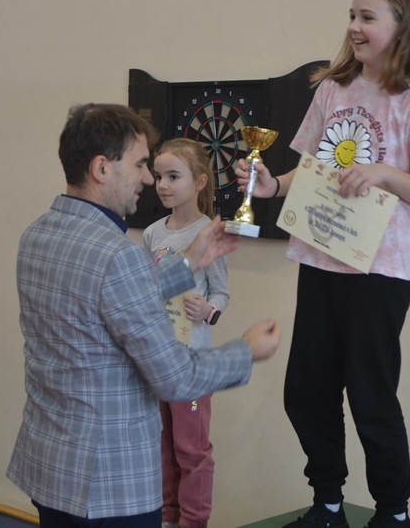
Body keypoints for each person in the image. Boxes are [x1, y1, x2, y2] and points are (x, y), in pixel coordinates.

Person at [235, 0, 410, 528]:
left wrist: (384, 173)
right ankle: (328, 503)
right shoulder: (333, 90)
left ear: (402, 26)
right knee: (306, 391)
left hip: (380, 271)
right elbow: (311, 168)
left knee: (371, 396)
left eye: (367, 17)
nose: (354, 27)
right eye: (351, 16)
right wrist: (271, 186)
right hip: (322, 257)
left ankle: (392, 511)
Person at [8, 103, 281, 528]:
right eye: (140, 165)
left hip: (51, 470)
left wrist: (188, 264)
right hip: (110, 487)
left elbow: (105, 301)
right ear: (102, 168)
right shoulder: (117, 255)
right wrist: (245, 352)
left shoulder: (37, 235)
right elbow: (175, 378)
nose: (150, 179)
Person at [143, 138, 228, 528]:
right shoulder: (152, 234)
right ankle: (166, 516)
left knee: (190, 448)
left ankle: (193, 521)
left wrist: (208, 311)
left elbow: (221, 292)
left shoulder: (209, 232)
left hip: (192, 361)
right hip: (159, 356)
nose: (162, 185)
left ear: (199, 181)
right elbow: (148, 288)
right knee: (163, 443)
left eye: (173, 176)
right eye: (158, 176)